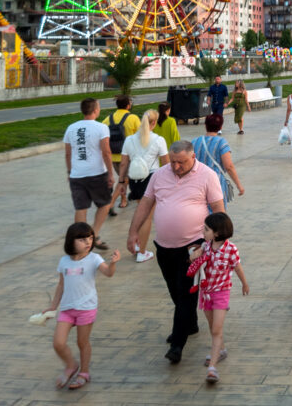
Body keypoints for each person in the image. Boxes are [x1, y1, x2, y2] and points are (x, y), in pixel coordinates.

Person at [126, 140, 225, 364]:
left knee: (185, 295)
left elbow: (218, 210)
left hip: (194, 247)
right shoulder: (160, 175)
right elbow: (145, 204)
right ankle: (189, 324)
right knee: (175, 291)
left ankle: (177, 345)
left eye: (181, 162)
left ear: (193, 157)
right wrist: (133, 232)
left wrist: (218, 243)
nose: (176, 167)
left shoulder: (207, 175)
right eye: (173, 162)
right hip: (164, 247)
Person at [43, 222, 120, 390]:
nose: (88, 242)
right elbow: (61, 286)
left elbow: (108, 273)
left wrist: (113, 263)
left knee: (82, 342)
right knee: (58, 343)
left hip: (86, 308)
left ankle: (84, 372)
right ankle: (71, 365)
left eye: (90, 238)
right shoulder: (64, 261)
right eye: (83, 239)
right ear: (71, 241)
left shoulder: (94, 259)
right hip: (67, 309)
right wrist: (53, 306)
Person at [186, 213, 250, 384]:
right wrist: (194, 254)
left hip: (221, 293)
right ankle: (220, 351)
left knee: (216, 329)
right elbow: (194, 255)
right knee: (212, 324)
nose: (203, 231)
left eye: (206, 229)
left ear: (217, 233)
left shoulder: (231, 249)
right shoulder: (206, 246)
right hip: (206, 293)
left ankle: (212, 368)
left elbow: (237, 267)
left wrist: (244, 284)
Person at [115, 109, 169, 262]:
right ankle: (142, 252)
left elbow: (124, 163)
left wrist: (121, 183)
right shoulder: (158, 140)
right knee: (147, 217)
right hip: (152, 178)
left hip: (134, 179)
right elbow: (166, 164)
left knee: (141, 212)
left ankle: (138, 244)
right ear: (154, 123)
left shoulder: (129, 140)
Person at [63, 98, 116, 250]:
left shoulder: (71, 128)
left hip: (76, 175)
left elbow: (68, 154)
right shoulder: (101, 128)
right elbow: (106, 152)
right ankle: (94, 235)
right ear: (95, 110)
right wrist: (111, 173)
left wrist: (69, 171)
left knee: (81, 208)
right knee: (105, 204)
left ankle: (79, 242)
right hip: (97, 173)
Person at [193, 114, 245, 208]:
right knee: (217, 215)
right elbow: (228, 166)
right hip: (216, 183)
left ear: (205, 126)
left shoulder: (195, 141)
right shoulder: (221, 143)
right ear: (221, 127)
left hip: (197, 183)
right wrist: (238, 185)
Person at [102, 95, 140, 215]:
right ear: (128, 105)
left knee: (123, 179)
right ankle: (111, 204)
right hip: (128, 156)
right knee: (123, 180)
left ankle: (124, 200)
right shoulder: (133, 118)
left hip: (113, 155)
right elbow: (141, 136)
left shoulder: (109, 118)